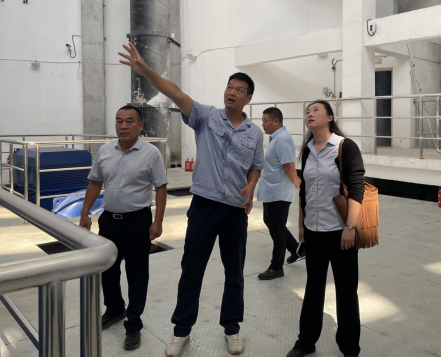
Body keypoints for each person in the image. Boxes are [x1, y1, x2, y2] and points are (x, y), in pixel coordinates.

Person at [118, 42, 264, 357]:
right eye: (229, 87)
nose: (232, 92)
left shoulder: (254, 133)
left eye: (239, 90)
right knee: (191, 270)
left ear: (248, 98)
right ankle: (181, 331)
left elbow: (255, 167)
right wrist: (145, 70)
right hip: (204, 207)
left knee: (234, 273)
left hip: (235, 211)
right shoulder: (206, 117)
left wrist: (251, 186)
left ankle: (232, 329)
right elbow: (176, 93)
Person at [79, 105, 168, 351]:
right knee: (107, 269)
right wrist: (85, 212)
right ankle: (115, 309)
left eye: (130, 121)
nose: (123, 126)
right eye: (119, 121)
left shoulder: (151, 154)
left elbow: (161, 187)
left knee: (137, 274)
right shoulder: (105, 150)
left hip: (138, 221)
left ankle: (134, 323)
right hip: (109, 220)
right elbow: (95, 182)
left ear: (140, 126)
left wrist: (158, 221)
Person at [287, 100, 365, 357]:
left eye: (316, 110)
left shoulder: (345, 146)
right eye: (307, 111)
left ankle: (349, 348)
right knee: (313, 289)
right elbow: (305, 190)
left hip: (341, 232)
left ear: (330, 117)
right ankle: (306, 342)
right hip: (313, 232)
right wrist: (302, 224)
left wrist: (350, 227)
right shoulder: (308, 150)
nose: (309, 114)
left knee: (346, 292)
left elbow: (357, 188)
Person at [256, 107, 302, 280]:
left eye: (265, 121)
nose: (263, 124)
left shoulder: (282, 139)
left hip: (279, 192)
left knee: (277, 228)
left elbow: (288, 165)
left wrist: (296, 181)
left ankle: (276, 267)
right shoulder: (276, 138)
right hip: (272, 191)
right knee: (271, 222)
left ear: (276, 121)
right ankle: (296, 250)